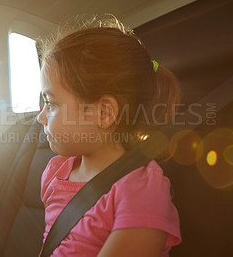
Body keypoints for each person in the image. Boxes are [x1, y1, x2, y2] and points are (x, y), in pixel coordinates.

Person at [36, 15, 181, 257]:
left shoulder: (141, 190)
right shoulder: (56, 171)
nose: (40, 117)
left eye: (51, 104)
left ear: (104, 113)